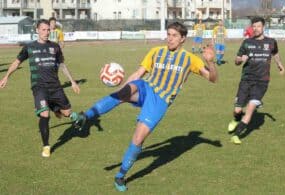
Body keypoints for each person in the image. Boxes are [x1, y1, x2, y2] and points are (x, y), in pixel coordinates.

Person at [73, 22, 218, 191]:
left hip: (160, 100)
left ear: (183, 39)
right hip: (146, 87)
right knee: (122, 94)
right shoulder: (156, 52)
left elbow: (213, 79)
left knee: (138, 139)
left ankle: (120, 176)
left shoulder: (189, 59)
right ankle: (86, 116)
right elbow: (138, 74)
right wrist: (123, 87)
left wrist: (211, 63)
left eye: (174, 36)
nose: (170, 38)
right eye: (169, 34)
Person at [0, 19, 80, 157]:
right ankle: (46, 146)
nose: (46, 32)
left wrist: (72, 81)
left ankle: (73, 115)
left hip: (56, 87)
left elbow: (62, 65)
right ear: (37, 30)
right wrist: (6, 76)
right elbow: (16, 62)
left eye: (48, 29)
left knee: (66, 114)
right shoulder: (29, 47)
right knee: (44, 114)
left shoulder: (55, 47)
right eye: (43, 29)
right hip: (39, 87)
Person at [227, 16, 285, 145]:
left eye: (258, 26)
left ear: (263, 27)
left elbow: (275, 52)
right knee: (237, 110)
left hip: (262, 81)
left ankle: (236, 136)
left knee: (251, 107)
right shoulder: (247, 42)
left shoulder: (271, 42)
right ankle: (236, 119)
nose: (256, 29)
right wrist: (241, 60)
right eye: (254, 26)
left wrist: (279, 64)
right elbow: (236, 61)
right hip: (246, 80)